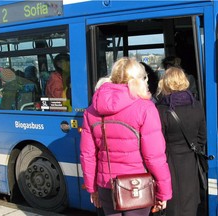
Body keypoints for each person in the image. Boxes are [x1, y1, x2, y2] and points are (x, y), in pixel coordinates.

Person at [80, 57, 172, 216]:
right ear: (140, 79)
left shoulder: (91, 111)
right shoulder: (146, 108)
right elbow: (154, 156)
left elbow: (88, 155)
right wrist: (164, 192)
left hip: (105, 186)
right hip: (137, 186)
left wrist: (92, 188)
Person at [155, 67, 207, 216]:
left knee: (173, 206)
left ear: (165, 83)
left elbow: (158, 142)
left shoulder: (161, 109)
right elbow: (202, 137)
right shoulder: (196, 105)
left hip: (169, 163)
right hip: (191, 163)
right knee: (190, 205)